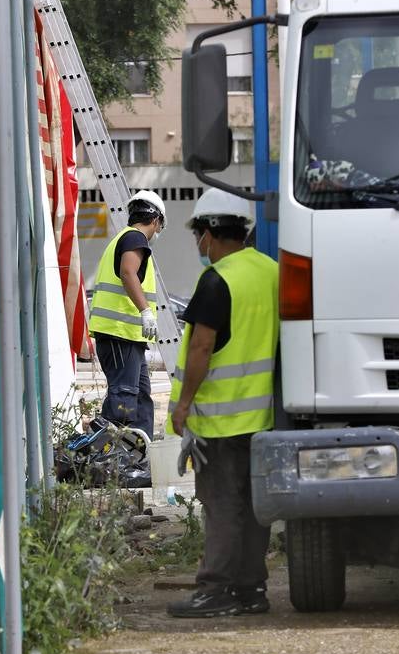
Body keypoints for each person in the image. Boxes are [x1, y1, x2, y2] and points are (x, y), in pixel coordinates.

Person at [165, 187, 279, 619]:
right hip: (263, 417)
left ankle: (215, 590)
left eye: (198, 236)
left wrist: (182, 405)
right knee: (253, 509)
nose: (199, 246)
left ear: (210, 232)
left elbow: (202, 347)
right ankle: (251, 591)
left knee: (221, 508)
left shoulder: (217, 279)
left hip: (220, 421)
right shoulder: (270, 271)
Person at [88, 190, 166, 440]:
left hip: (126, 337)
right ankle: (106, 458)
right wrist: (145, 311)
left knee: (141, 398)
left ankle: (141, 458)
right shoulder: (135, 238)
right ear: (155, 221)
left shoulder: (122, 239)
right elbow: (128, 273)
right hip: (119, 335)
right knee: (123, 401)